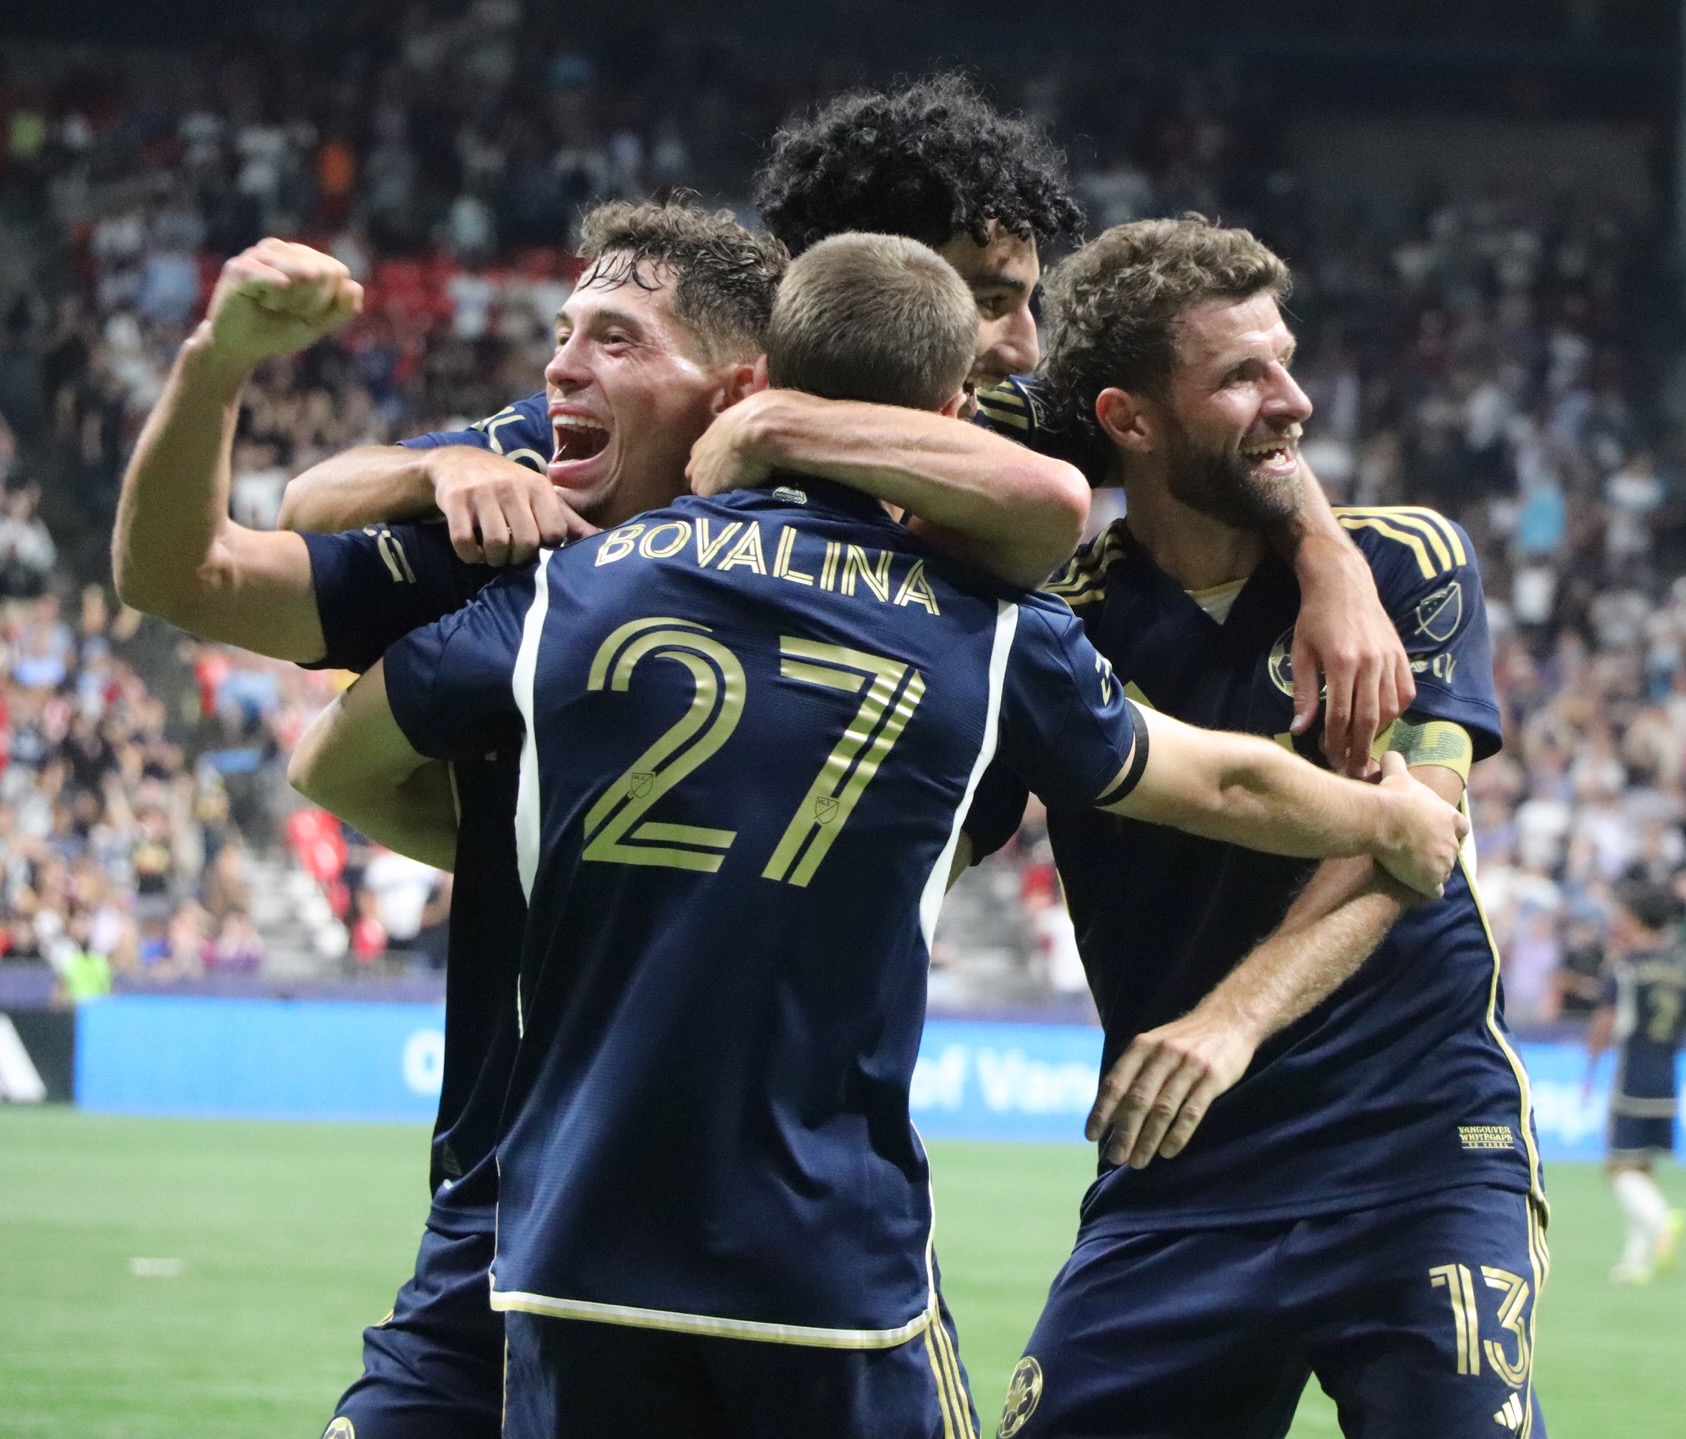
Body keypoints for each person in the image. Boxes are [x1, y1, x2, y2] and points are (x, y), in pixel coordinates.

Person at [288, 231, 1466, 1439]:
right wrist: (1386, 814)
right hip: (824, 1253)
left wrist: (528, 842)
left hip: (571, 1245)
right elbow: (1212, 782)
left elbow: (327, 759)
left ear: (767, 379)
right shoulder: (990, 626)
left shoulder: (567, 587)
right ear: (954, 413)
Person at [112, 204, 1088, 1439]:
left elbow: (1046, 500)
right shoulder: (522, 525)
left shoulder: (889, 553)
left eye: (613, 339)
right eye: (564, 334)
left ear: (746, 390)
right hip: (502, 1224)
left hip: (773, 1248)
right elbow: (182, 575)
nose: (560, 367)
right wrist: (234, 368)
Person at [279, 75, 1411, 780]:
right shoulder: (655, 409)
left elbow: (1225, 421)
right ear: (878, 280)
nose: (1026, 344)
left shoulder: (1009, 417)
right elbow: (307, 504)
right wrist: (450, 471)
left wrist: (1331, 561)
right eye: (991, 298)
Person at [958, 217, 1550, 1438]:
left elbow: (1410, 844)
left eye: (1285, 358)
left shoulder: (1406, 557)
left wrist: (1228, 1021)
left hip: (1419, 1150)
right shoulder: (1052, 622)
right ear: (1127, 418)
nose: (1294, 401)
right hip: (1179, 1167)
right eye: (1241, 375)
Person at [1583, 876, 1686, 1285]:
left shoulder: (1627, 968)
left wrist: (1589, 1069)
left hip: (1632, 1072)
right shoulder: (1682, 969)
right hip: (1668, 1074)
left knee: (1618, 1168)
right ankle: (1637, 1261)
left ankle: (1663, 1221)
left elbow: (1605, 1020)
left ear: (1633, 920)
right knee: (1643, 1167)